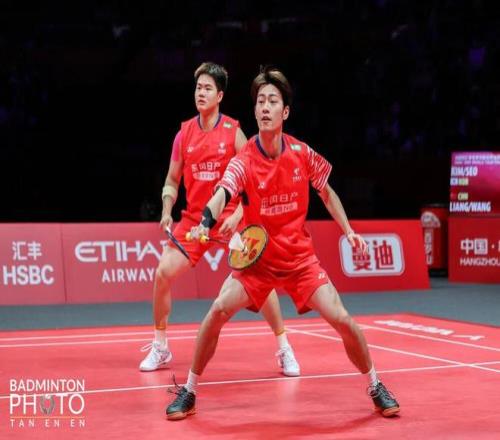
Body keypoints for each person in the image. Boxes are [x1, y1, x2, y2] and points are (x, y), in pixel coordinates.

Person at [165, 66, 400, 420]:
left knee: (342, 318)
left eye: (272, 101)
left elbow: (327, 191)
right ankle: (189, 390)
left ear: (285, 111)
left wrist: (348, 230)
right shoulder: (244, 160)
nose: (265, 107)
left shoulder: (302, 153)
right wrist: (206, 221)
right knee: (217, 312)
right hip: (257, 262)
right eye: (260, 101)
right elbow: (223, 191)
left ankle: (375, 384)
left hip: (299, 261)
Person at [139, 62, 300, 378]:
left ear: (220, 95)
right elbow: (171, 180)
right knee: (163, 273)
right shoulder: (184, 134)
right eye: (198, 87)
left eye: (207, 88)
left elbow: (255, 179)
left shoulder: (234, 133)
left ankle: (284, 347)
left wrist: (239, 213)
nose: (201, 93)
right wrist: (167, 209)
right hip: (195, 221)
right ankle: (160, 345)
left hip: (230, 219)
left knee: (260, 281)